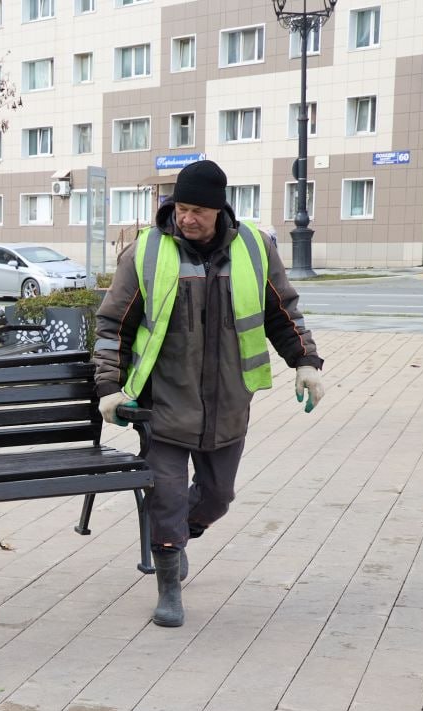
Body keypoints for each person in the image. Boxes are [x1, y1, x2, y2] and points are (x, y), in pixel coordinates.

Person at [93, 159, 324, 628]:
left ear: (220, 210)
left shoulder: (255, 250)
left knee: (218, 496)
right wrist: (109, 388)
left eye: (198, 209)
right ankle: (169, 581)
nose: (186, 218)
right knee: (169, 495)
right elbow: (114, 325)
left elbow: (283, 312)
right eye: (181, 207)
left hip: (228, 404)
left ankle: (181, 536)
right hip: (162, 403)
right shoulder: (146, 253)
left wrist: (305, 361)